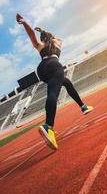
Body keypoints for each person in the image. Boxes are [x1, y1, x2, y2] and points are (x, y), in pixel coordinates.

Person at [16, 13, 93, 149]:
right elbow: (55, 37)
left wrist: (25, 22)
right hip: (54, 64)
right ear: (51, 37)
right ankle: (48, 126)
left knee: (66, 82)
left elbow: (31, 35)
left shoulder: (40, 45)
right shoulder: (57, 42)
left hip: (42, 69)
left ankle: (83, 106)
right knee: (53, 93)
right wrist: (44, 31)